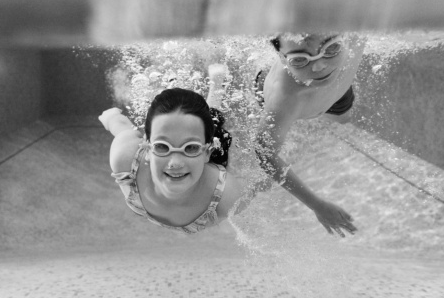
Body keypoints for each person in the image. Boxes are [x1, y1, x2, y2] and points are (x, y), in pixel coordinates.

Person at [254, 32, 366, 237]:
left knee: (343, 119)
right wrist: (317, 205)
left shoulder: (357, 33)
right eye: (299, 59)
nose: (319, 66)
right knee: (278, 122)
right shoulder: (284, 99)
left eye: (331, 48)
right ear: (281, 58)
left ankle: (322, 112)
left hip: (337, 91)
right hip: (290, 99)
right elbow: (264, 154)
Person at [99, 86, 246, 234]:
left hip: (212, 171)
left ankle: (215, 91)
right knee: (124, 132)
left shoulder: (228, 195)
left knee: (216, 135)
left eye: (190, 148)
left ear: (207, 152)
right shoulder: (126, 159)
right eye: (162, 146)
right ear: (147, 148)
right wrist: (111, 118)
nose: (175, 163)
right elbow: (123, 129)